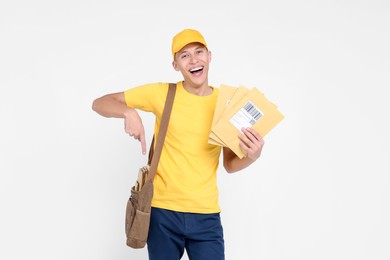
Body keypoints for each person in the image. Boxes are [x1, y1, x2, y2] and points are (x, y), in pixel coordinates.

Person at [92, 28, 265, 260]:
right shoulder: (162, 93)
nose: (193, 60)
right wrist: (127, 111)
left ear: (209, 56)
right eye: (184, 56)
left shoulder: (225, 104)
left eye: (199, 52)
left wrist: (252, 156)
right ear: (176, 65)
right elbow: (99, 103)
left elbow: (230, 165)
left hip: (206, 216)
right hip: (163, 213)